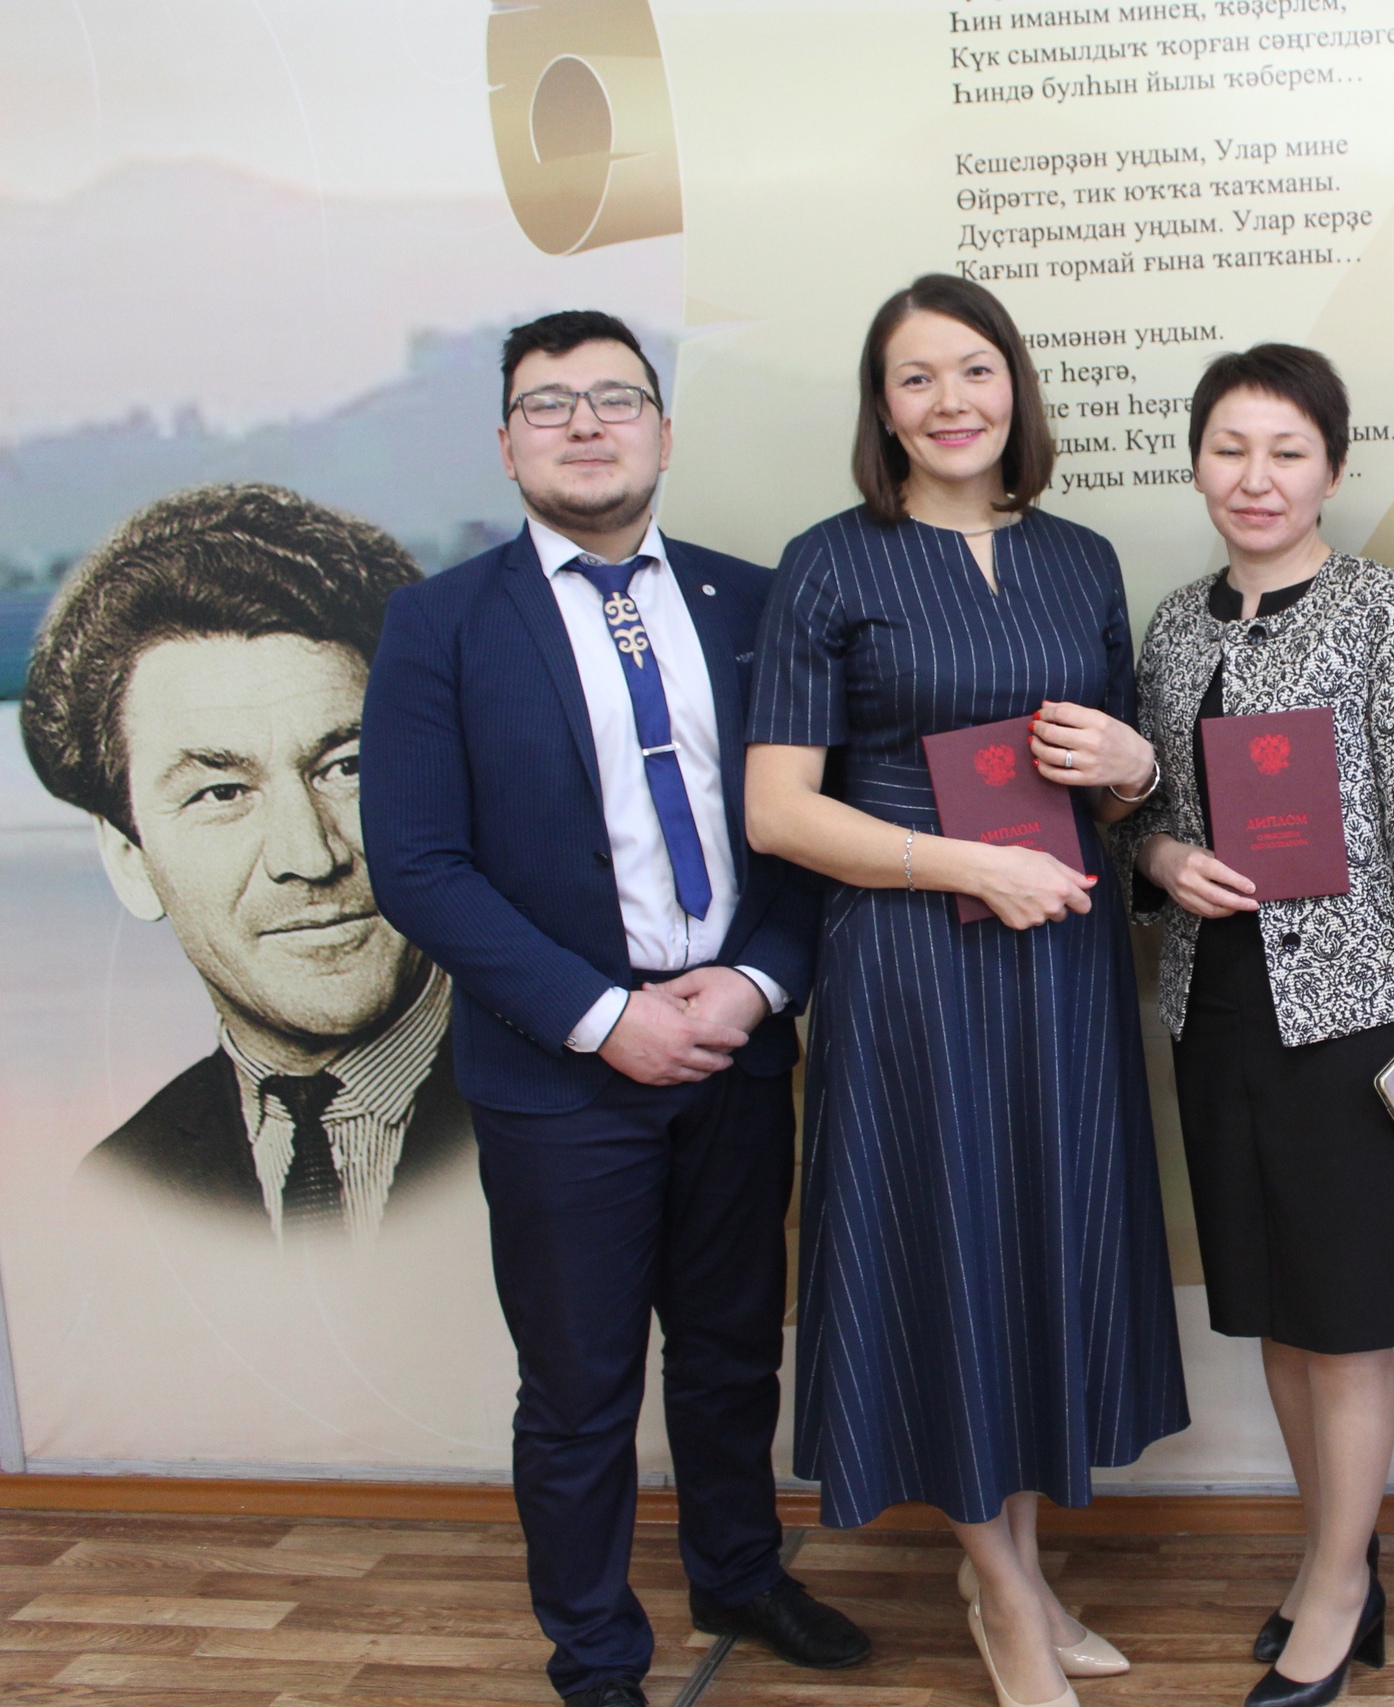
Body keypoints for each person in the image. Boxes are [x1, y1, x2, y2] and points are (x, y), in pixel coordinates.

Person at [363, 311, 863, 1707]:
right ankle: (595, 1655)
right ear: (506, 444)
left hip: (736, 1051)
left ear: (662, 428)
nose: (585, 424)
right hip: (559, 1076)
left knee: (729, 1351)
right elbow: (418, 866)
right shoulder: (439, 624)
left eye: (615, 398)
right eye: (549, 404)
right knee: (579, 1389)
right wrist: (603, 1016)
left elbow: (810, 826)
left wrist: (755, 983)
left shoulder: (756, 603)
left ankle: (739, 1571)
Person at [740, 273, 1187, 1707]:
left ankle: (1024, 1570)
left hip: (1061, 961)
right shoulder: (830, 564)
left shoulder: (1079, 557)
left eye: (975, 369)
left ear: (1017, 388)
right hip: (910, 967)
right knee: (946, 1251)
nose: (951, 401)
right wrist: (964, 868)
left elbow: (1115, 793)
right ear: (883, 409)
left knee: (1039, 1248)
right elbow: (778, 813)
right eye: (916, 377)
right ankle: (1001, 1592)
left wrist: (1135, 768)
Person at [1118, 344, 1394, 1707]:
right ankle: (1335, 1553)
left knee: (1345, 1316)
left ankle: (1337, 1584)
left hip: (1356, 1015)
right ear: (1196, 464)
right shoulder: (1174, 626)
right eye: (1230, 448)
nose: (1255, 477)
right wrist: (1160, 859)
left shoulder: (1382, 610)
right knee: (1274, 1307)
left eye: (1286, 450)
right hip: (1215, 1009)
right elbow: (1147, 814)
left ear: (1331, 466)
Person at [21, 483, 472, 1240]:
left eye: (348, 767)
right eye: (222, 792)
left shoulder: (601, 1103)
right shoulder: (117, 1193)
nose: (309, 855)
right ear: (129, 860)